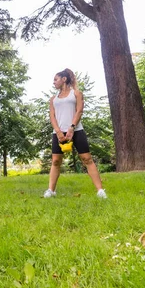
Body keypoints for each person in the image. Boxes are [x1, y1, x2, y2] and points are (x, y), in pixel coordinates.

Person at [44, 69, 107, 199]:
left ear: (64, 79)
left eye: (56, 79)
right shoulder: (53, 99)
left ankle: (100, 191)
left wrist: (71, 128)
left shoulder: (77, 94)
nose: (53, 82)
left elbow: (79, 111)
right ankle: (51, 190)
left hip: (76, 130)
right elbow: (52, 116)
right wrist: (58, 132)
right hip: (59, 133)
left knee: (87, 159)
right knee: (56, 161)